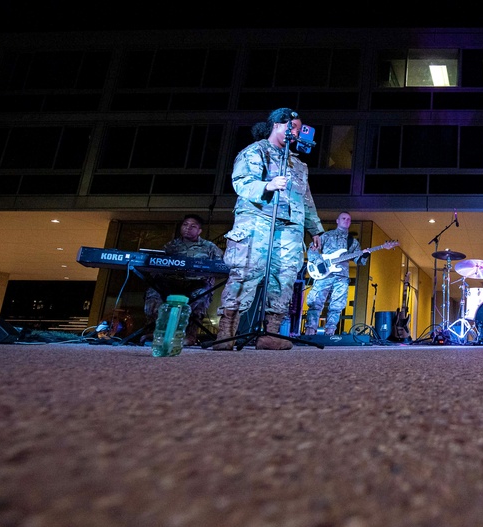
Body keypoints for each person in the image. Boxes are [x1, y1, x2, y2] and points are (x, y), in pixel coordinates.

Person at [213, 108, 324, 350]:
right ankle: (227, 332)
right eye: (292, 127)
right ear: (277, 124)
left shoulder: (298, 165)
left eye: (298, 129)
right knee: (246, 273)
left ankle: (271, 333)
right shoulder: (256, 151)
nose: (296, 132)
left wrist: (315, 229)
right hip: (258, 220)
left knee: (284, 279)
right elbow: (241, 182)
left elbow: (306, 199)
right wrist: (268, 185)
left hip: (290, 227)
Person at [141, 214, 224, 347]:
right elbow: (157, 265)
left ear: (199, 231)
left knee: (200, 296)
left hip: (197, 284)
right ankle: (158, 332)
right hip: (170, 284)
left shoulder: (209, 247)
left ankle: (188, 335)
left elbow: (221, 267)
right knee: (153, 293)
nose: (187, 228)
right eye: (185, 225)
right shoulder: (171, 246)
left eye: (193, 226)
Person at [303, 212, 370, 338]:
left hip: (342, 277)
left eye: (349, 219)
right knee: (315, 302)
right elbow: (312, 248)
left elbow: (358, 261)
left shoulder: (352, 242)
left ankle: (330, 333)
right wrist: (319, 263)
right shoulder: (326, 236)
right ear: (337, 221)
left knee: (337, 305)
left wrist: (364, 255)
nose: (346, 220)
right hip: (324, 274)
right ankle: (310, 332)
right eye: (343, 218)